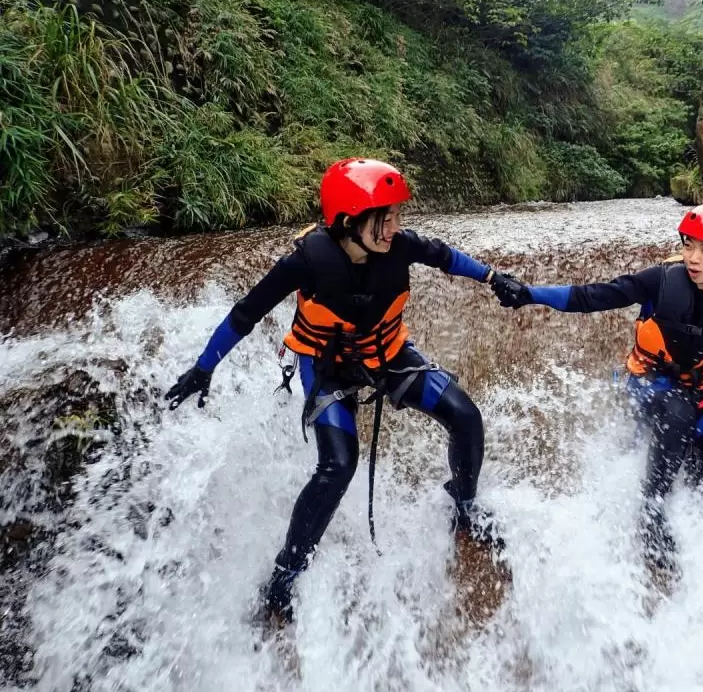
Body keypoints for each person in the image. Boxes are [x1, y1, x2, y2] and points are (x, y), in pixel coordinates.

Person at [164, 158, 510, 624]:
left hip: (387, 356)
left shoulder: (401, 247)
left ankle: (464, 505)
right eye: (382, 218)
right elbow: (246, 314)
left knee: (465, 417)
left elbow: (447, 256)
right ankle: (284, 575)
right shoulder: (307, 261)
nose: (394, 226)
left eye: (396, 215)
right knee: (337, 466)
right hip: (327, 368)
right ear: (349, 221)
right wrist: (204, 368)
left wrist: (492, 278)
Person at [489, 203, 703, 569]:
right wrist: (530, 293)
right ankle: (651, 513)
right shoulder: (660, 280)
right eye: (688, 245)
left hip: (702, 392)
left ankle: (689, 463)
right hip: (646, 383)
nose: (693, 258)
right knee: (678, 409)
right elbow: (593, 296)